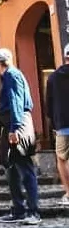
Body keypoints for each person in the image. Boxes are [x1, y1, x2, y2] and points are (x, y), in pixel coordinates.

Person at [0, 48, 40, 225]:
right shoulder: (13, 74)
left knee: (25, 167)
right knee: (10, 166)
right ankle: (19, 209)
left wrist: (15, 129)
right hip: (13, 123)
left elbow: (15, 102)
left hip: (17, 124)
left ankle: (33, 211)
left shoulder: (11, 76)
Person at [46, 43, 69, 204]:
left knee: (62, 158)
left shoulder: (53, 77)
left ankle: (68, 193)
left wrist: (53, 122)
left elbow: (49, 104)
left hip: (62, 124)